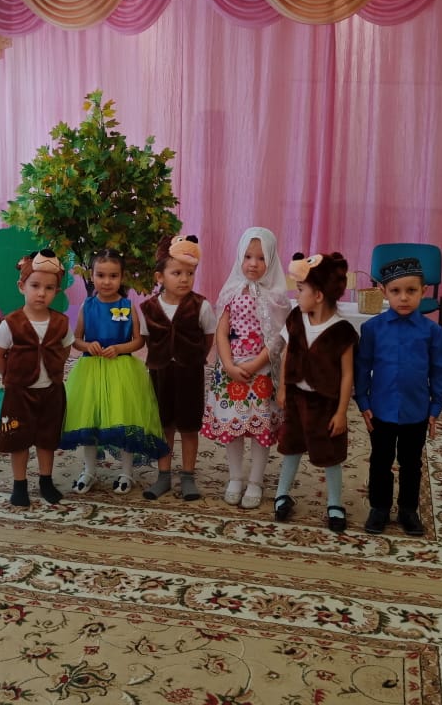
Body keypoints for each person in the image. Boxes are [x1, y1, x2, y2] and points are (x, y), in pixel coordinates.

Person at [355, 256, 442, 537]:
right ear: (384, 291)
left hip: (415, 411)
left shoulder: (433, 332)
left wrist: (435, 407)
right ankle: (379, 508)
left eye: (411, 291)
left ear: (423, 292)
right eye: (396, 291)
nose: (404, 298)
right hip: (381, 410)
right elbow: (363, 367)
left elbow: (439, 371)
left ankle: (408, 509)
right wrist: (363, 401)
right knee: (380, 460)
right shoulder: (372, 329)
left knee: (411, 463)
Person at [60, 249, 168, 494]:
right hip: (91, 371)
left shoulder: (128, 306)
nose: (106, 281)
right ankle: (89, 470)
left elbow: (139, 340)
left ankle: (126, 472)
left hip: (121, 371)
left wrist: (119, 348)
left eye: (113, 276)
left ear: (122, 277)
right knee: (89, 421)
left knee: (123, 420)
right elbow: (76, 339)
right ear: (92, 276)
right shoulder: (87, 306)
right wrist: (88, 345)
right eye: (101, 275)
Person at [202, 227, 291, 509]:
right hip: (231, 372)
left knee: (260, 428)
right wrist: (228, 364)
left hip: (261, 371)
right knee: (234, 425)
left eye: (261, 258)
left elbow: (278, 338)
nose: (253, 263)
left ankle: (255, 480)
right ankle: (235, 477)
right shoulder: (231, 291)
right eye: (248, 257)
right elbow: (221, 330)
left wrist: (256, 363)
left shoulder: (278, 297)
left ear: (271, 260)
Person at [273, 252, 358, 532]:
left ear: (318, 295)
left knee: (330, 454)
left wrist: (341, 412)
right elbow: (287, 355)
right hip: (296, 399)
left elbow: (347, 375)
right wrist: (283, 388)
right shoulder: (296, 319)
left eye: (300, 290)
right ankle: (282, 494)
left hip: (326, 404)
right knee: (291, 447)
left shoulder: (342, 331)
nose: (296, 296)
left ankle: (335, 503)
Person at [0, 249, 73, 507]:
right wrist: (9, 376)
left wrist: (55, 367)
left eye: (49, 288)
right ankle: (20, 484)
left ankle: (46, 480)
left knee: (48, 438)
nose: (41, 293)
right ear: (22, 287)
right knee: (18, 439)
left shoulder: (61, 322)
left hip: (51, 391)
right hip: (19, 394)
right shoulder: (11, 322)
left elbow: (66, 347)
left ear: (57, 291)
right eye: (35, 286)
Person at [139, 235, 217, 501]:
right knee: (164, 425)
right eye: (177, 273)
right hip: (160, 374)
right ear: (160, 277)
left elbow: (208, 336)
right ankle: (163, 476)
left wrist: (193, 357)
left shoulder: (201, 306)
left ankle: (188, 476)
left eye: (190, 273)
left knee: (189, 426)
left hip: (190, 374)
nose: (184, 279)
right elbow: (147, 338)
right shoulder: (148, 308)